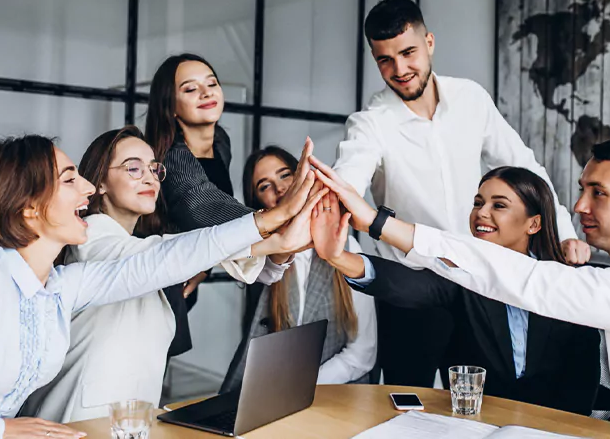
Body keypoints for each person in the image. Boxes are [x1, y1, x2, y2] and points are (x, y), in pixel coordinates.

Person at [0, 134, 323, 439]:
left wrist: (271, 223)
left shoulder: (61, 285)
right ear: (29, 207)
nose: (89, 192)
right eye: (71, 180)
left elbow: (163, 259)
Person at [311, 137, 610, 438]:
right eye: (581, 190)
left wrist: (376, 222)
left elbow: (527, 280)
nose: (578, 207)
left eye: (598, 193)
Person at [332, 0, 590, 387]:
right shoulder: (370, 124)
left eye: (408, 52)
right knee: (406, 403)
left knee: (481, 404)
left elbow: (526, 167)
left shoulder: (471, 98)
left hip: (475, 285)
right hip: (410, 289)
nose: (400, 69)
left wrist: (566, 233)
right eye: (385, 59)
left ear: (430, 42)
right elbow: (346, 182)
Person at [20, 128, 306, 423]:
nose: (149, 177)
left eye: (154, 168)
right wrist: (274, 227)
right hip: (76, 422)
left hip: (129, 422)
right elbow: (165, 255)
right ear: (100, 182)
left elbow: (261, 272)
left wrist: (282, 246)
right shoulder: (91, 239)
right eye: (133, 168)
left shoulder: (146, 246)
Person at [313, 166, 600, 415]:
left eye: (498, 205)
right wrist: (338, 257)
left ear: (533, 223)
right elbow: (408, 285)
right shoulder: (464, 274)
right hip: (474, 426)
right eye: (478, 203)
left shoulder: (565, 284)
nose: (481, 213)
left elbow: (582, 381)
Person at [145, 53, 312, 330]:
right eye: (190, 88)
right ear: (170, 106)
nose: (205, 93)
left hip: (186, 275)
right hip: (154, 278)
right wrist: (282, 215)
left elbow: (211, 219)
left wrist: (205, 265)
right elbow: (204, 206)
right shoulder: (171, 158)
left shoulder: (221, 142)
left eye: (211, 84)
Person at [220, 147, 378, 392]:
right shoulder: (262, 260)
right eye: (264, 186)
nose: (280, 189)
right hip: (270, 389)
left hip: (335, 393)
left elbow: (362, 353)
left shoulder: (347, 248)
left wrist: (301, 385)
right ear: (258, 204)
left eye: (285, 175)